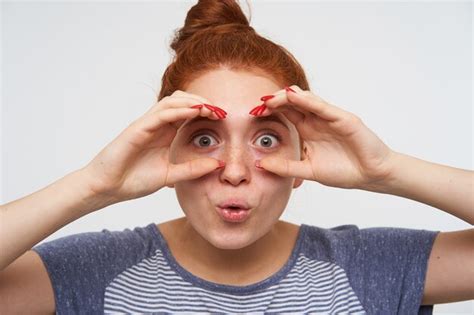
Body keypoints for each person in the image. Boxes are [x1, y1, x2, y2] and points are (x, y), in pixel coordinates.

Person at [1, 0, 472, 314]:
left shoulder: (367, 267)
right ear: (167, 148)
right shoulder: (96, 269)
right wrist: (92, 185)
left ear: (304, 156)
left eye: (266, 139)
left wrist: (386, 170)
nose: (234, 171)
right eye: (205, 138)